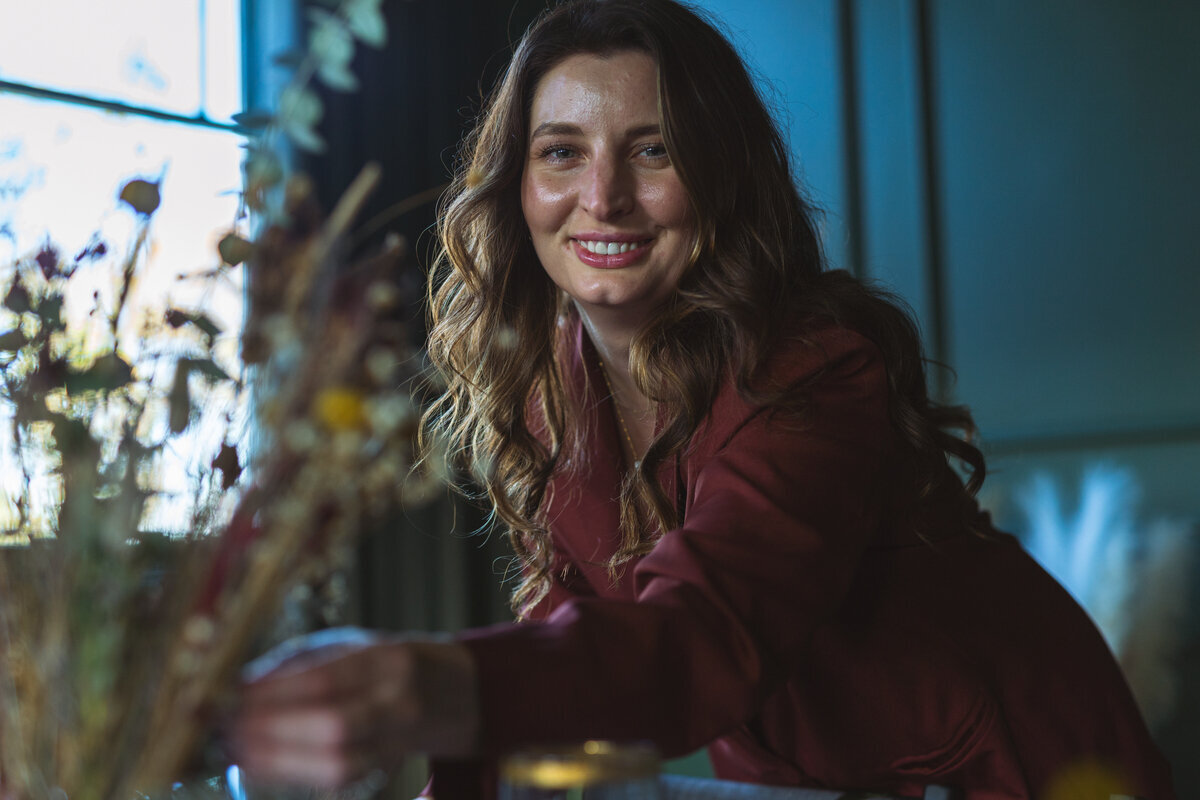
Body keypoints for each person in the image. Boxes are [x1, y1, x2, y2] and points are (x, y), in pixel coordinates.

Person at [230, 1, 1178, 798]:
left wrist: (429, 681)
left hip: (1012, 767)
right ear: (519, 185)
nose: (602, 197)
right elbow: (566, 649)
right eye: (561, 152)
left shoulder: (814, 369)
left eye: (652, 151)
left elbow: (701, 632)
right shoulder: (550, 390)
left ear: (718, 176)